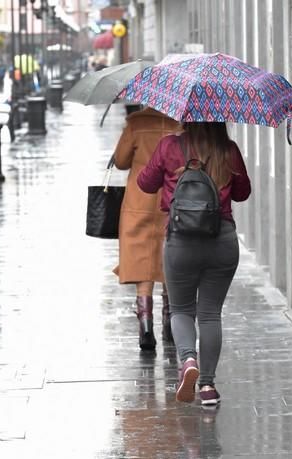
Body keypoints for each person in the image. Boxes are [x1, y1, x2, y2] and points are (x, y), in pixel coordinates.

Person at [137, 122, 251, 405]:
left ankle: (188, 359)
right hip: (222, 239)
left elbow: (145, 183)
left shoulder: (169, 146)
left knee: (181, 309)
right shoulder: (229, 150)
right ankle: (208, 387)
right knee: (211, 313)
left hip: (181, 241)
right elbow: (242, 193)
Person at [113, 107, 182, 351]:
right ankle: (170, 322)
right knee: (169, 259)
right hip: (171, 200)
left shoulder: (136, 122)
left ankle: (145, 325)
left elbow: (121, 162)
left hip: (139, 201)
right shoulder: (180, 122)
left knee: (142, 263)